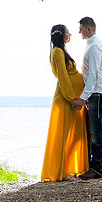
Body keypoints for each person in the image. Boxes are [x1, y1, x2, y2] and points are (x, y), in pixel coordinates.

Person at [40, 24, 90, 182]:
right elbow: (63, 77)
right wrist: (72, 99)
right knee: (64, 136)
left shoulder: (62, 51)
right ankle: (63, 172)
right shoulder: (57, 52)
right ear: (61, 35)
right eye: (68, 32)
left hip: (74, 98)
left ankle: (70, 168)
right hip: (66, 99)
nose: (71, 35)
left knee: (73, 135)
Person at [72, 16, 102, 180]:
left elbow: (93, 75)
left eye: (81, 28)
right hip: (93, 93)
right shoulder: (91, 45)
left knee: (96, 132)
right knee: (92, 132)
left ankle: (97, 169)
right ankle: (91, 166)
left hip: (97, 93)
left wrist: (83, 98)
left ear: (88, 28)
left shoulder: (94, 46)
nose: (79, 32)